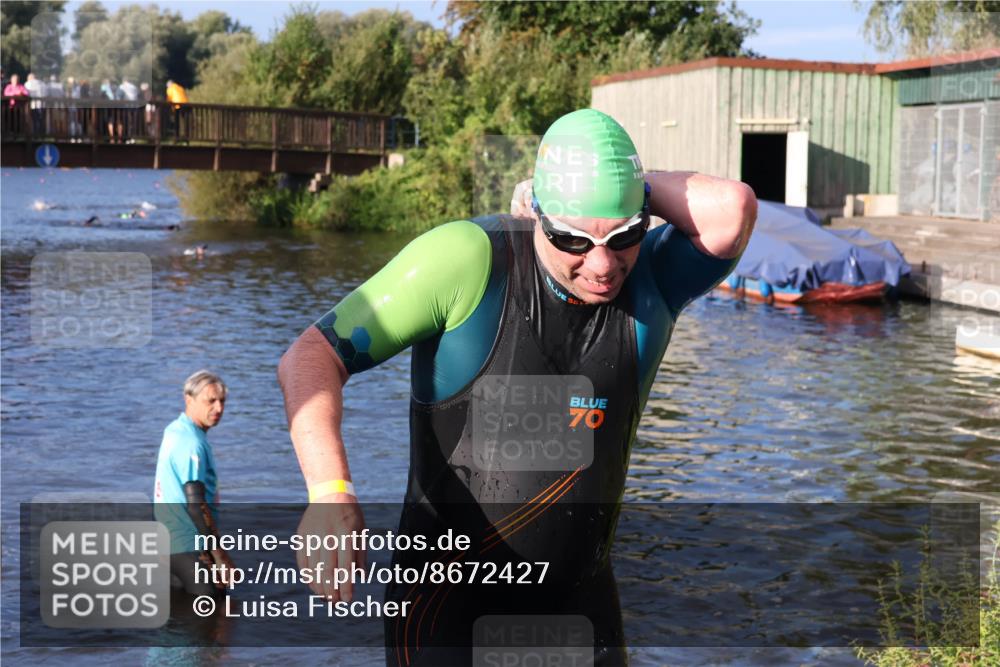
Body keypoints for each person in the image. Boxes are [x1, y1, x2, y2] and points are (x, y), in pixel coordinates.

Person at [278, 109, 757, 665]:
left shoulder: (652, 281)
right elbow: (310, 358)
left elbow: (733, 209)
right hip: (446, 616)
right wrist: (329, 491)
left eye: (625, 234)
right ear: (537, 214)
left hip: (582, 610)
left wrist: (623, 185)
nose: (602, 264)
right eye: (572, 237)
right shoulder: (468, 262)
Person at [154, 370, 235, 596]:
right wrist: (220, 556)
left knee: (180, 619)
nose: (219, 409)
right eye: (211, 401)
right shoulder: (191, 444)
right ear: (188, 400)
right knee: (216, 615)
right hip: (191, 547)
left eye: (222, 401)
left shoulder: (175, 430)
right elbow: (196, 505)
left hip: (170, 545)